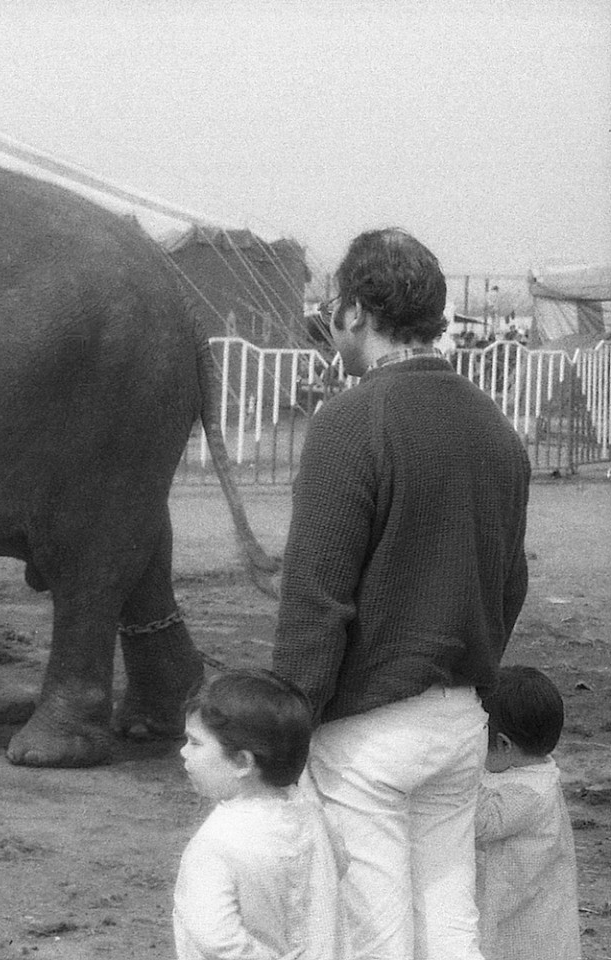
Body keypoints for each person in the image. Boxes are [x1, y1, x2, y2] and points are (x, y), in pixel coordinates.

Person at [273, 227, 531, 960]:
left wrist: (287, 724)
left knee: (372, 933)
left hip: (366, 731)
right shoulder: (495, 428)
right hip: (456, 721)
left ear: (354, 310)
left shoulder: (350, 422)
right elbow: (509, 583)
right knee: (450, 923)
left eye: (333, 308)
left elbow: (314, 599)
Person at [172, 668, 343, 960]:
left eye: (195, 742)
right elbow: (340, 862)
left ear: (242, 761)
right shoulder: (311, 814)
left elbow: (214, 936)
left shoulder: (216, 842)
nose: (183, 752)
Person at [476, 665, 580, 960]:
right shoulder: (536, 772)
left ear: (504, 744)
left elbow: (483, 822)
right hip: (529, 904)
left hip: (528, 926)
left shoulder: (527, 792)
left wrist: (461, 773)